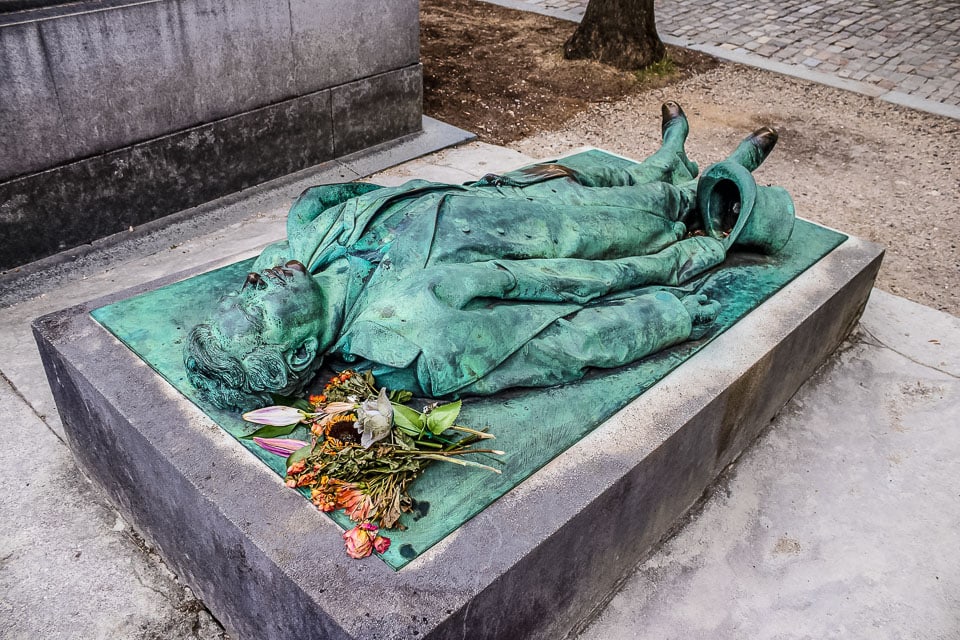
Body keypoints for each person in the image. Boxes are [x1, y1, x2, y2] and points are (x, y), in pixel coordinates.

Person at [184, 102, 795, 410]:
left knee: (605, 177)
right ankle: (731, 188)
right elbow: (562, 346)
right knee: (659, 215)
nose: (257, 280)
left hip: (521, 193)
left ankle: (668, 158)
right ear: (299, 351)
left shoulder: (313, 237)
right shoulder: (416, 342)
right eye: (257, 306)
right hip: (567, 241)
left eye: (244, 290)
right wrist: (667, 316)